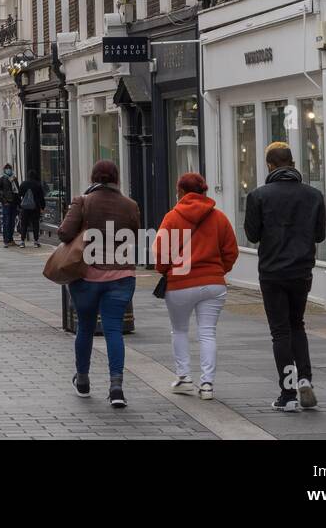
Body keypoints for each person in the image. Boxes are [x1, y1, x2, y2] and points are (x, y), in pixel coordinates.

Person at [245, 141, 326, 412]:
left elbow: (252, 235)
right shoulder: (314, 196)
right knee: (297, 325)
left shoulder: (258, 196)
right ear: (292, 164)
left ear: (269, 165)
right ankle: (305, 377)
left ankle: (288, 393)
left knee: (280, 331)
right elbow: (319, 235)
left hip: (272, 272)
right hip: (302, 271)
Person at [59, 160, 140, 409]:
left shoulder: (82, 201)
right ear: (116, 178)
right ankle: (116, 388)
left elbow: (63, 233)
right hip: (120, 276)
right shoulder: (130, 205)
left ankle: (82, 381)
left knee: (84, 328)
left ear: (94, 177)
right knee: (113, 330)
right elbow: (135, 234)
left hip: (86, 276)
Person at [154, 173, 238, 401]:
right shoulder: (219, 218)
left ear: (181, 192)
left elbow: (160, 253)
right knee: (208, 332)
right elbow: (231, 251)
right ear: (204, 192)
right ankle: (207, 384)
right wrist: (218, 270)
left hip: (180, 283)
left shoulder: (171, 218)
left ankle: (184, 378)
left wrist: (164, 270)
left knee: (179, 330)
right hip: (213, 283)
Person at [16, 169, 47, 247]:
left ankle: (22, 241)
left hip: (25, 208)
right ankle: (36, 242)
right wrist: (42, 207)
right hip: (35, 207)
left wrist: (20, 205)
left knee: (24, 224)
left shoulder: (23, 184)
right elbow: (41, 197)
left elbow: (18, 195)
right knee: (35, 224)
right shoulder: (37, 184)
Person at [0, 163, 20, 246]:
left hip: (14, 203)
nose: (8, 169)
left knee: (12, 222)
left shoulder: (14, 179)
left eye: (10, 168)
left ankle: (11, 239)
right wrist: (4, 201)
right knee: (6, 222)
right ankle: (6, 240)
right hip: (6, 203)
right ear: (4, 170)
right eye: (7, 168)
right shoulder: (1, 179)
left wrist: (18, 203)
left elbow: (17, 191)